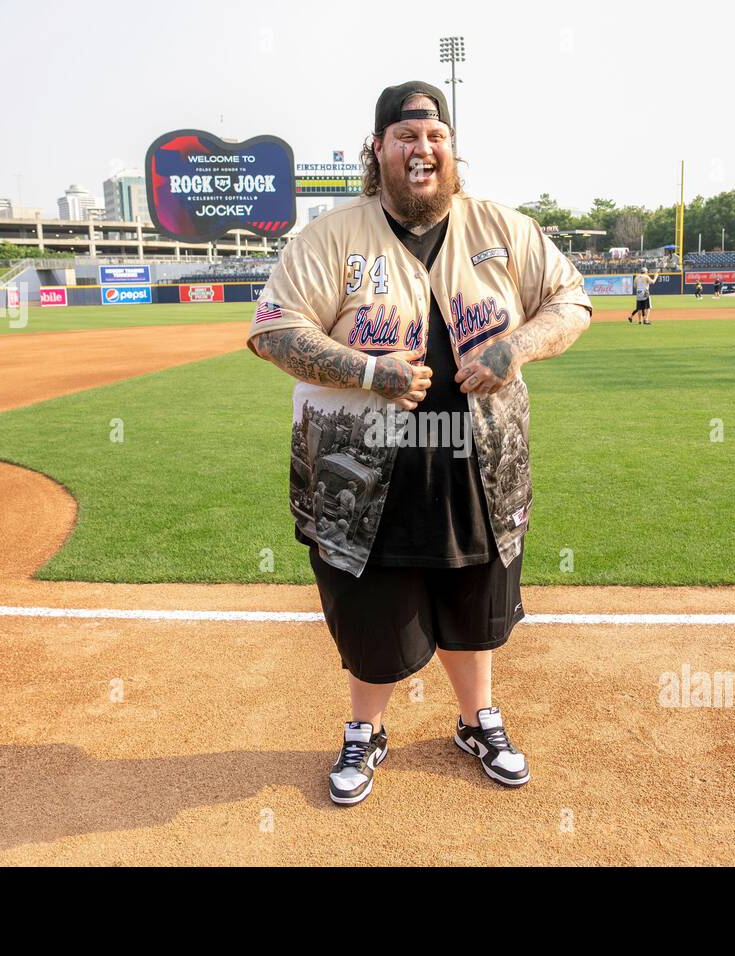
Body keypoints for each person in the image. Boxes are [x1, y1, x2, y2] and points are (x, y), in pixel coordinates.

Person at [247, 80, 591, 805]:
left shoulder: (504, 229)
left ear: (452, 150)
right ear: (378, 150)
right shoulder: (330, 238)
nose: (422, 147)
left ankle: (477, 721)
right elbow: (273, 331)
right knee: (372, 615)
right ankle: (365, 731)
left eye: (435, 135)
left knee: (475, 606)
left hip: (480, 470)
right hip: (361, 472)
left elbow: (573, 302)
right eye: (404, 136)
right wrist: (369, 371)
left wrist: (516, 349)